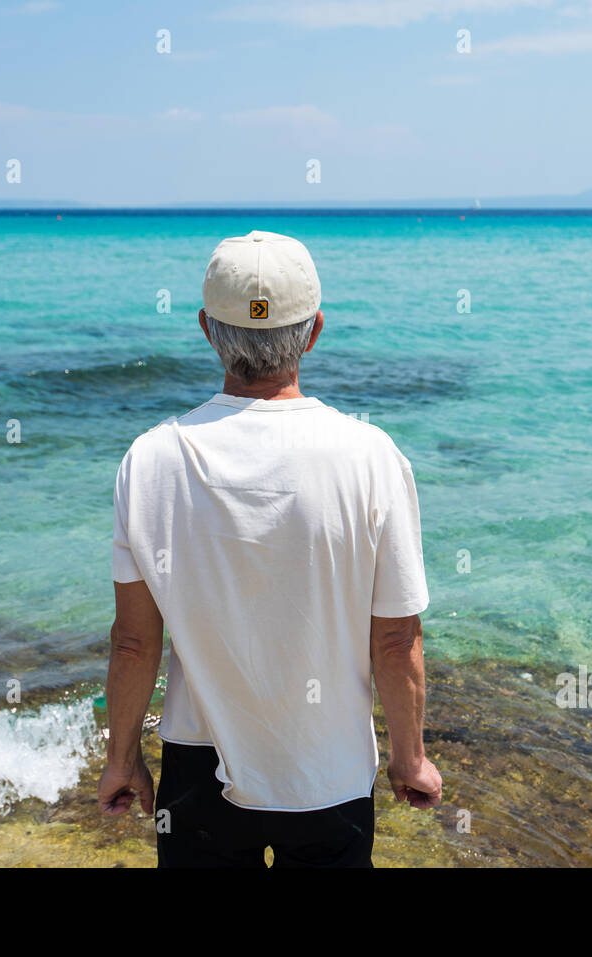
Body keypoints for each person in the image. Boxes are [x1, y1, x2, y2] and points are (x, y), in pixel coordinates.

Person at [96, 230, 441, 867]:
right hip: (329, 766)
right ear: (312, 332)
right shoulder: (370, 456)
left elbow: (134, 642)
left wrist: (122, 761)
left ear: (207, 329)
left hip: (199, 767)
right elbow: (395, 641)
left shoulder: (150, 460)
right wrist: (409, 759)